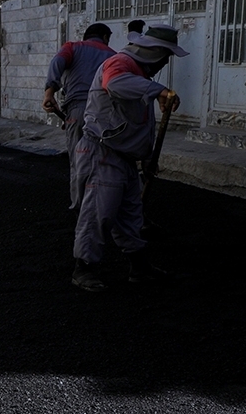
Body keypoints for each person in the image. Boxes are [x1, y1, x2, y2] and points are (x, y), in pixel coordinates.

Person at [71, 25, 187, 291]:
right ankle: (84, 268)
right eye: (165, 57)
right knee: (99, 214)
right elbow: (114, 84)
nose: (164, 64)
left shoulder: (140, 76)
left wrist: (146, 157)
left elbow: (139, 124)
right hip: (102, 153)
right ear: (155, 53)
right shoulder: (121, 64)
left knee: (130, 216)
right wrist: (158, 90)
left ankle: (139, 267)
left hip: (122, 158)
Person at [43, 23, 115, 209]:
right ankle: (102, 207)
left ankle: (80, 209)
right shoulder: (113, 56)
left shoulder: (73, 47)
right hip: (105, 115)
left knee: (79, 162)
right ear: (105, 37)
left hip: (78, 111)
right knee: (103, 162)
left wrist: (49, 92)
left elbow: (57, 62)